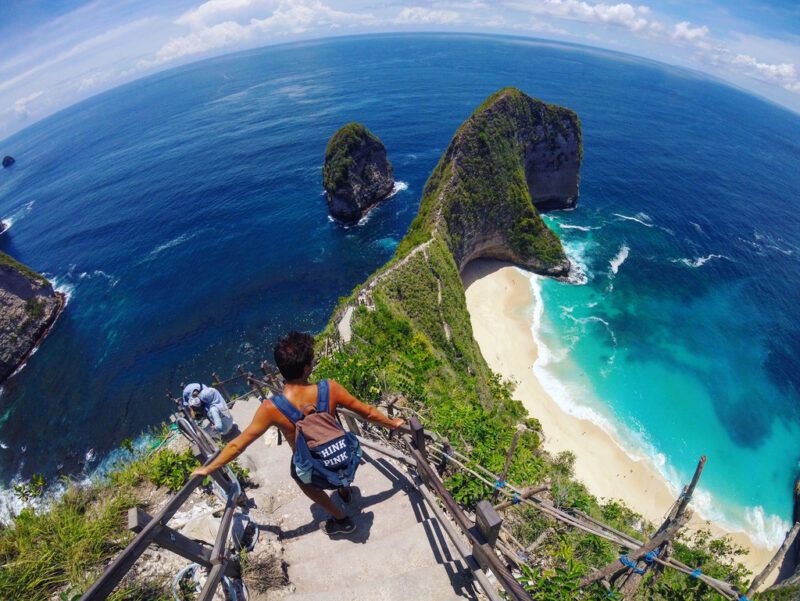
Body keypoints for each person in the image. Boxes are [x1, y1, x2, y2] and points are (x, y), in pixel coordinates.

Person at [192, 331, 404, 536]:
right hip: (341, 456)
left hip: (311, 466)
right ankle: (343, 489)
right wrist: (392, 423)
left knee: (300, 477)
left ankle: (341, 519)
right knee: (334, 454)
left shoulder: (271, 408)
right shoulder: (330, 388)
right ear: (306, 368)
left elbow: (237, 445)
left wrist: (209, 468)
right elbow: (366, 411)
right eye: (311, 360)